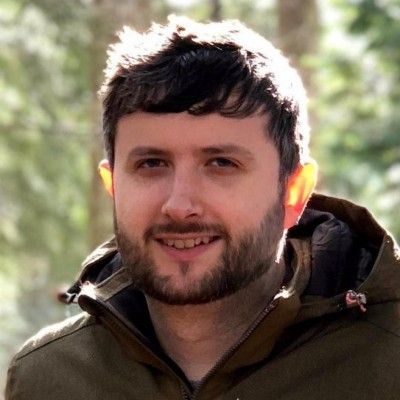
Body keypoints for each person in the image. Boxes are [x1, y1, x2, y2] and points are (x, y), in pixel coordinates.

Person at [5, 15, 400, 400]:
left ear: (294, 192)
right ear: (114, 187)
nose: (179, 206)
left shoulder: (387, 362)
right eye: (152, 164)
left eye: (221, 164)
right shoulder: (47, 379)